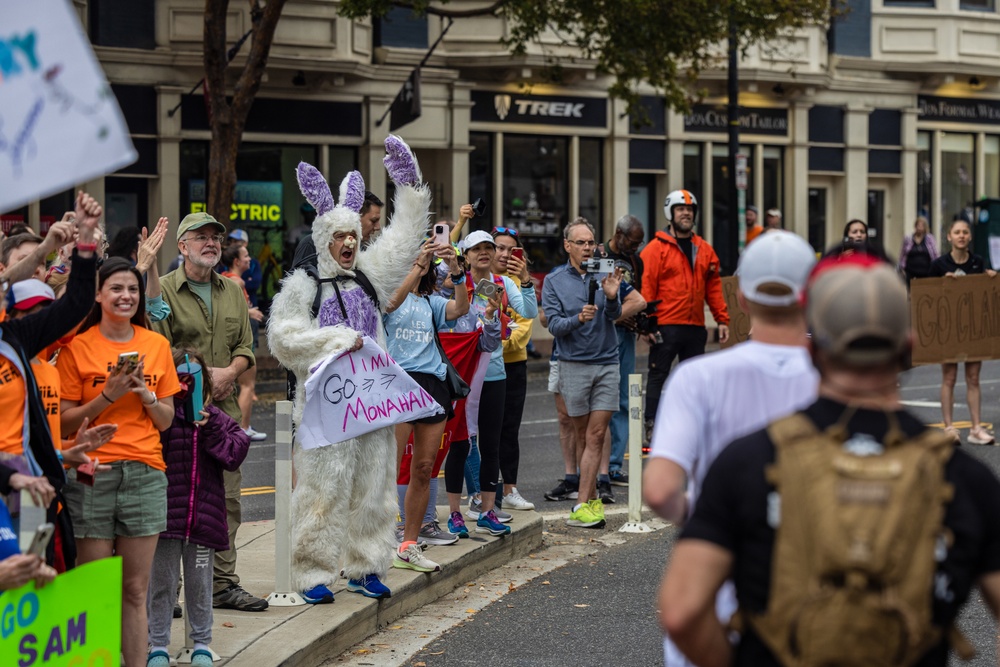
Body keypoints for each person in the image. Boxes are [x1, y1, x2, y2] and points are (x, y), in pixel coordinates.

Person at [659, 257, 1000, 667]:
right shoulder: (964, 478)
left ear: (814, 348)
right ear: (908, 349)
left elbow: (681, 611)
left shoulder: (747, 461)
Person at [643, 231, 818, 666]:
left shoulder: (698, 379)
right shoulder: (837, 380)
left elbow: (661, 491)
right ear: (809, 296)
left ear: (741, 299)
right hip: (814, 599)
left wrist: (709, 516)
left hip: (717, 600)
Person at [268, 136, 430, 601]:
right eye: (338, 237)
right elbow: (283, 337)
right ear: (324, 238)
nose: (347, 244)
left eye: (353, 237)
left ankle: (367, 567)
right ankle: (313, 574)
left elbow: (402, 242)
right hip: (325, 410)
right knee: (323, 491)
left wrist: (410, 186)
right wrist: (334, 339)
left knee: (374, 490)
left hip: (371, 405)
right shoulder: (304, 284)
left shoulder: (366, 275)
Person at [57, 258, 181, 667]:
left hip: (145, 472)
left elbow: (165, 420)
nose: (126, 296)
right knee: (95, 585)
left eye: (132, 289)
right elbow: (64, 421)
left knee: (134, 589)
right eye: (116, 288)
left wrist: (144, 393)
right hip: (92, 471)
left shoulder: (156, 345)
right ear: (98, 294)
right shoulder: (78, 346)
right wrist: (107, 395)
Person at [152, 213, 263, 612]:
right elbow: (159, 351)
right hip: (178, 419)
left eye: (215, 237)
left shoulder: (234, 291)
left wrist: (230, 371)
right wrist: (199, 374)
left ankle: (222, 585)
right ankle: (172, 591)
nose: (211, 242)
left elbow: (246, 348)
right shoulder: (162, 291)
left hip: (224, 419)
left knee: (227, 502)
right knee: (176, 506)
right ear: (182, 246)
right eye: (201, 237)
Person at [147, 348, 250, 667]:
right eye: (180, 380)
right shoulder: (161, 419)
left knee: (199, 585)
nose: (186, 387)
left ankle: (202, 643)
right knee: (161, 584)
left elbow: (234, 454)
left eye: (193, 380)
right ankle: (157, 645)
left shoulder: (215, 418)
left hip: (202, 522)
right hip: (166, 520)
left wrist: (212, 429)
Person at [542, 218, 644, 528]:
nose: (587, 247)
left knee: (597, 434)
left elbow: (615, 314)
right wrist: (577, 319)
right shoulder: (554, 280)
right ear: (567, 246)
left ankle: (582, 504)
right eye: (581, 242)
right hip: (573, 364)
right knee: (582, 434)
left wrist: (612, 297)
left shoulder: (607, 272)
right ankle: (586, 498)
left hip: (607, 361)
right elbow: (554, 326)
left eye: (590, 242)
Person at [443, 230, 538, 535]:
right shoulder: (454, 284)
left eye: (489, 247)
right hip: (462, 375)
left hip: (495, 373)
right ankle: (456, 513)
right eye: (477, 249)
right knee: (459, 444)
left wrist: (525, 281)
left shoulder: (502, 283)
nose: (484, 252)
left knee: (490, 444)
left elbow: (529, 312)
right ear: (466, 255)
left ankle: (488, 510)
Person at [385, 241, 470, 568]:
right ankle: (376, 542)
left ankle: (409, 543)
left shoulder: (430, 301)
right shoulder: (390, 295)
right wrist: (417, 266)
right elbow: (389, 305)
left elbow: (459, 309)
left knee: (423, 468)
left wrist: (457, 272)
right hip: (398, 383)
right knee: (386, 471)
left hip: (433, 385)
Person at [639, 189, 729, 443]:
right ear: (671, 213)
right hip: (665, 325)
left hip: (694, 326)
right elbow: (647, 287)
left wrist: (722, 318)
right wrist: (647, 324)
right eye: (681, 209)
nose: (686, 214)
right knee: (658, 375)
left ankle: (693, 427)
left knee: (695, 381)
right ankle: (651, 427)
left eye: (690, 210)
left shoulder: (704, 249)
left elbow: (713, 287)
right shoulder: (655, 249)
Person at [929, 218, 996, 445]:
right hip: (949, 329)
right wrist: (942, 284)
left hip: (972, 329)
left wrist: (990, 280)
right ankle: (949, 427)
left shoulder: (977, 262)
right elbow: (926, 299)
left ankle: (976, 428)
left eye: (965, 232)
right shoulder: (939, 265)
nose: (961, 235)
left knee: (974, 377)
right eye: (957, 232)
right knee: (948, 377)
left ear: (969, 236)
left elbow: (983, 295)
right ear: (949, 237)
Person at [491, 226, 537, 511]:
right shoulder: (479, 279)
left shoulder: (520, 284)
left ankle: (510, 490)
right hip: (482, 367)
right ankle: (482, 494)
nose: (505, 254)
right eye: (499, 247)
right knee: (480, 433)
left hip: (513, 366)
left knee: (509, 430)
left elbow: (524, 329)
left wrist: (497, 344)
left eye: (510, 249)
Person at [602, 214, 645, 490]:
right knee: (599, 399)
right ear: (618, 234)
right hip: (603, 333)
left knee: (623, 399)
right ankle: (595, 465)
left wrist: (637, 319)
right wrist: (617, 316)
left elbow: (636, 295)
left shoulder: (635, 260)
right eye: (633, 241)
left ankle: (615, 465)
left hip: (626, 336)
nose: (636, 247)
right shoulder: (599, 254)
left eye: (640, 243)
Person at [220, 243, 266, 442]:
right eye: (246, 256)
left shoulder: (223, 279)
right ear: (236, 261)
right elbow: (229, 310)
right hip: (241, 339)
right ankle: (243, 427)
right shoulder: (236, 282)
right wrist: (250, 312)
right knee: (248, 385)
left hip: (233, 339)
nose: (250, 259)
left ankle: (238, 426)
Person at [899, 215, 938, 282]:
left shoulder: (930, 239)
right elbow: (903, 254)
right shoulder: (908, 239)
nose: (919, 228)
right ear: (915, 226)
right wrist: (902, 268)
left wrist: (936, 268)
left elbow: (935, 254)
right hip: (910, 273)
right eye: (918, 225)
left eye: (922, 226)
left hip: (926, 273)